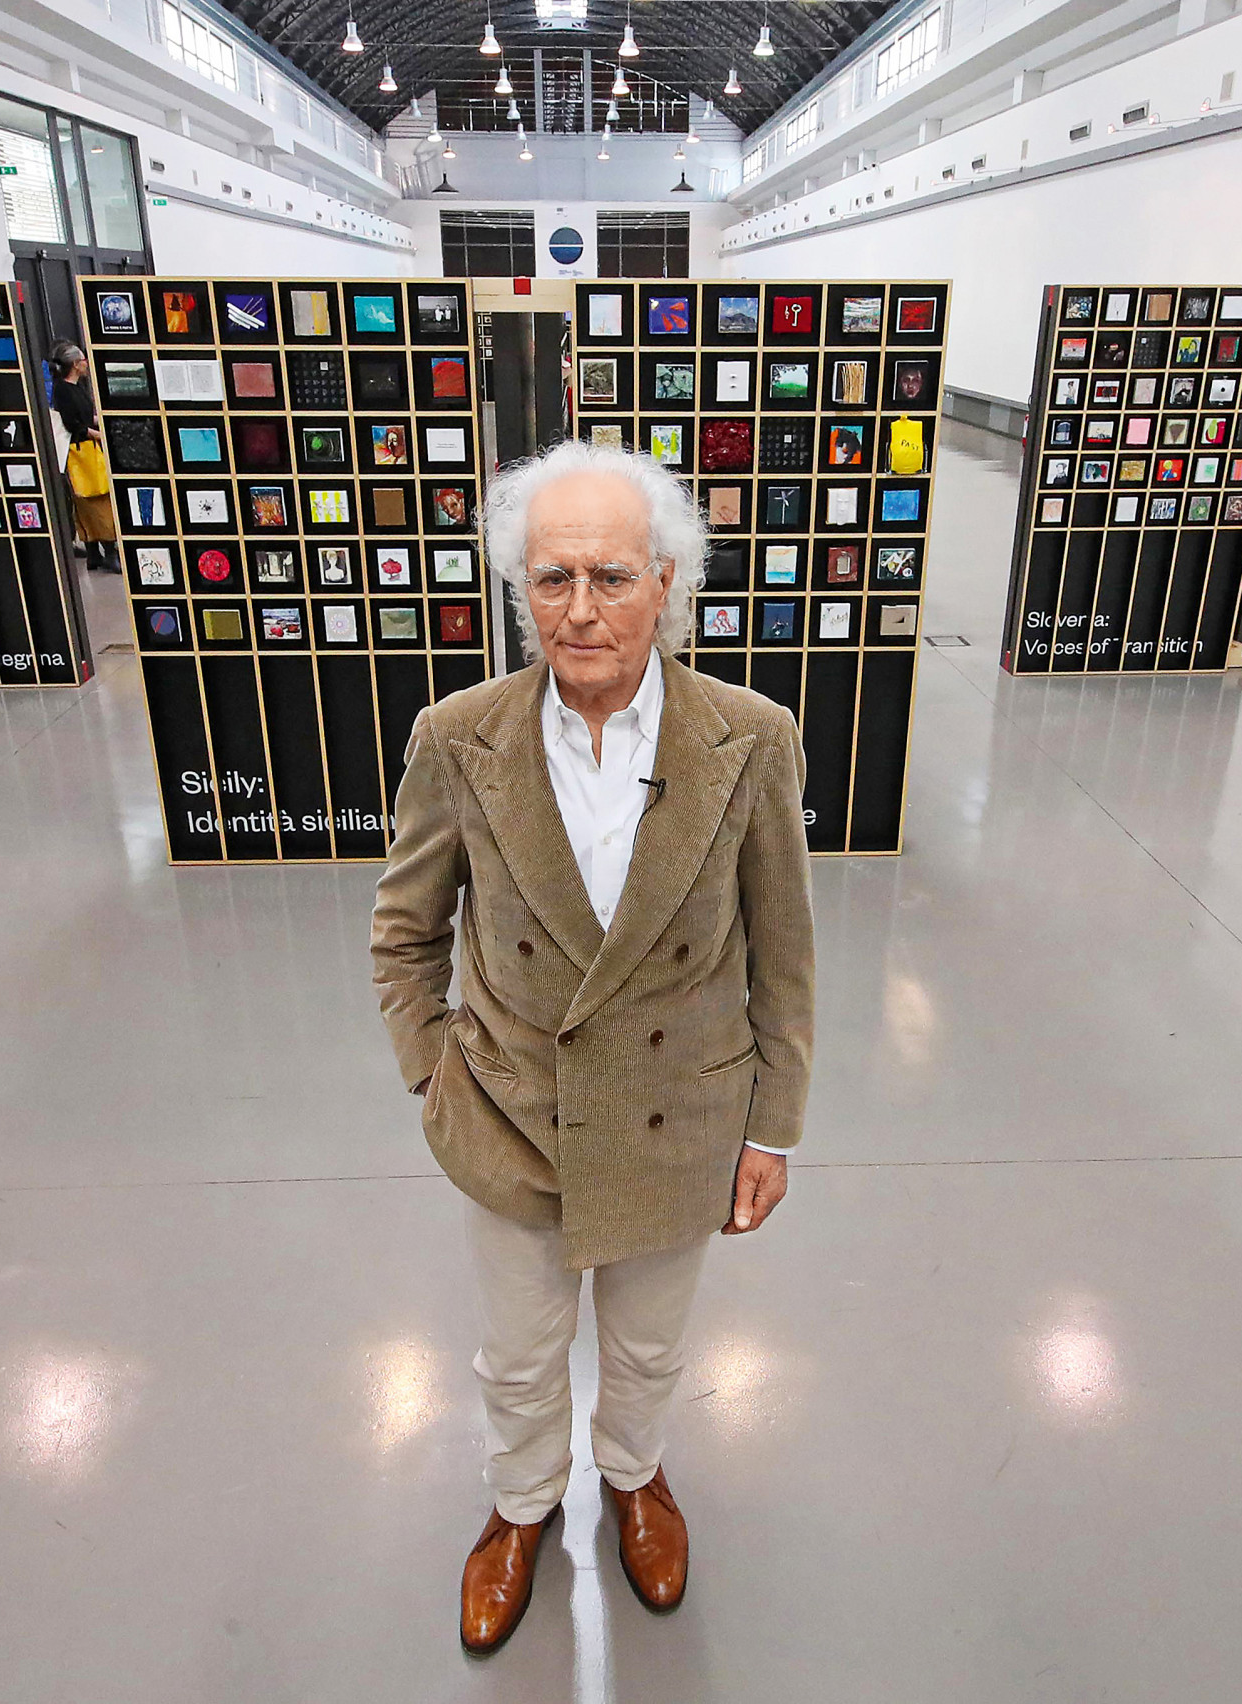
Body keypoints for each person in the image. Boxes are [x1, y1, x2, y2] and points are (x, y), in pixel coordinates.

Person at [370, 439, 815, 1655]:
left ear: (667, 581)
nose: (580, 610)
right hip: (512, 1114)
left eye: (611, 577)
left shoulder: (751, 737)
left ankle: (633, 1472)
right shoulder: (459, 734)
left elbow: (784, 949)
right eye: (551, 577)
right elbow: (405, 929)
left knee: (649, 1342)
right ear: (521, 587)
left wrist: (772, 1125)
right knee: (518, 1354)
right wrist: (435, 1075)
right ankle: (520, 1504)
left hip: (683, 1113)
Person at [51, 345, 120, 572]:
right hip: (81, 451)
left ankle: (94, 554)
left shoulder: (76, 387)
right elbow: (74, 424)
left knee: (88, 501)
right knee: (96, 498)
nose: (86, 364)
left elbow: (85, 417)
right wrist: (98, 434)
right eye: (83, 360)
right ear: (75, 364)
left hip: (86, 448)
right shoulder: (63, 390)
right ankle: (107, 550)